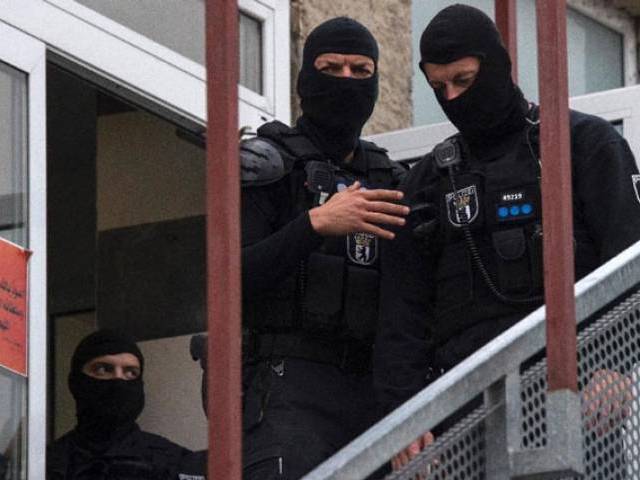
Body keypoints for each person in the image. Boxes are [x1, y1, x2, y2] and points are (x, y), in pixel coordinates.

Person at [373, 3, 640, 473]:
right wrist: (405, 416)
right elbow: (400, 314)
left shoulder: (583, 145)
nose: (453, 99)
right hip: (461, 412)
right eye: (439, 88)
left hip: (571, 396)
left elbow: (630, 263)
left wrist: (616, 368)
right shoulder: (427, 182)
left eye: (465, 80)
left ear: (495, 66)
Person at [241, 16, 408, 479]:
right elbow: (228, 278)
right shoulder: (267, 164)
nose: (346, 81)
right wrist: (315, 224)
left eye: (361, 70)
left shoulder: (391, 181)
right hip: (287, 385)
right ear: (305, 80)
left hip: (373, 394)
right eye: (331, 68)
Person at [47, 329, 190, 480]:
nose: (118, 382)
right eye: (103, 369)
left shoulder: (176, 463)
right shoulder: (44, 464)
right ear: (76, 383)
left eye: (130, 372)